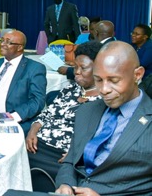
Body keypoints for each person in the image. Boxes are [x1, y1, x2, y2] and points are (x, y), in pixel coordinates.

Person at [55, 41, 152, 196]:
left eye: (114, 81)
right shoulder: (87, 110)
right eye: (98, 80)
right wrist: (65, 183)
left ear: (137, 75)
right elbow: (70, 160)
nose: (104, 90)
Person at [26, 41, 103, 183]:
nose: (77, 72)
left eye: (83, 68)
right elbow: (47, 113)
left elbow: (101, 135)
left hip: (64, 154)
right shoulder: (71, 89)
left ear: (99, 69)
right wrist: (33, 129)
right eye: (75, 67)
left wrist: (78, 153)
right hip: (38, 144)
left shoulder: (105, 99)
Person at [0, 30, 46, 135]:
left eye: (8, 42)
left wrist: (12, 117)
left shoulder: (34, 68)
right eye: (2, 40)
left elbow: (37, 101)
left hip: (11, 121)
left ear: (20, 47)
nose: (2, 44)